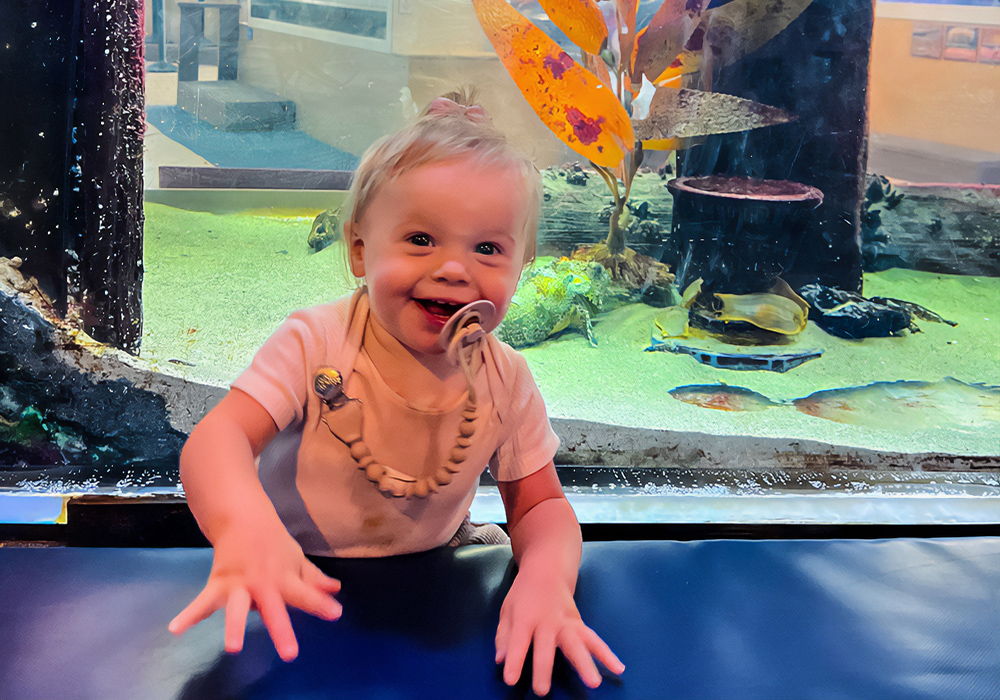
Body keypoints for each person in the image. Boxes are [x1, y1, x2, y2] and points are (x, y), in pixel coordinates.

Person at [168, 91, 624, 696]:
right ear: (360, 249)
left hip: (433, 576)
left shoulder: (506, 379)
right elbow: (217, 440)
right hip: (291, 574)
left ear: (523, 264)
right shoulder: (316, 342)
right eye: (420, 240)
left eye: (487, 248)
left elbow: (539, 507)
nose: (455, 269)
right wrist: (244, 529)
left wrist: (545, 579)